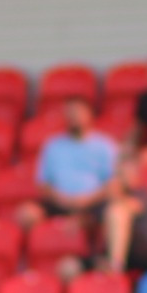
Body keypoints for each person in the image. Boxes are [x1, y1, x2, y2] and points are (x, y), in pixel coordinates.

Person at [17, 98, 118, 231]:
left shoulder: (105, 145)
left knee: (113, 211)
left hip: (93, 204)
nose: (73, 117)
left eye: (77, 113)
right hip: (59, 202)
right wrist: (62, 199)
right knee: (27, 213)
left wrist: (87, 200)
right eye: (70, 113)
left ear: (89, 115)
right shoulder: (53, 145)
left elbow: (113, 183)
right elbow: (43, 184)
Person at [101, 155, 147, 274]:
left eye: (123, 173)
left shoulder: (144, 193)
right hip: (111, 252)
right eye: (119, 173)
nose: (120, 177)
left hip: (142, 251)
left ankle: (115, 269)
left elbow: (129, 207)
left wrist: (114, 193)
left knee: (116, 211)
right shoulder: (115, 196)